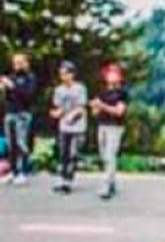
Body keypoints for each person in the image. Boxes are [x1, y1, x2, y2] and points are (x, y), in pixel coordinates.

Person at [90, 63, 128, 199]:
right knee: (103, 155)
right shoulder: (102, 92)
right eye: (110, 73)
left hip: (115, 127)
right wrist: (94, 107)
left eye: (115, 73)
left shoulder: (122, 93)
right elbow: (95, 112)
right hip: (102, 125)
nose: (112, 76)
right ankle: (111, 182)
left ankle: (106, 186)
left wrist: (102, 106)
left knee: (110, 154)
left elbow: (119, 111)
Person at [50, 61, 88, 194]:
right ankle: (61, 179)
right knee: (63, 154)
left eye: (66, 74)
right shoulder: (59, 90)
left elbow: (81, 107)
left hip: (78, 127)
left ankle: (68, 181)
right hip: (64, 126)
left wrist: (72, 115)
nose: (63, 77)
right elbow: (58, 107)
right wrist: (57, 113)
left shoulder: (80, 88)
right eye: (61, 74)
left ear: (72, 74)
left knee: (73, 153)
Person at [1, 53, 37, 185]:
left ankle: (22, 171)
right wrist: (4, 88)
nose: (17, 65)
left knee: (21, 143)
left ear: (26, 63)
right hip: (10, 113)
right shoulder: (11, 77)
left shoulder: (30, 78)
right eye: (15, 63)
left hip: (22, 114)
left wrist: (13, 86)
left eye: (20, 62)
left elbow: (28, 95)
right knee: (10, 144)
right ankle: (12, 171)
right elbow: (8, 97)